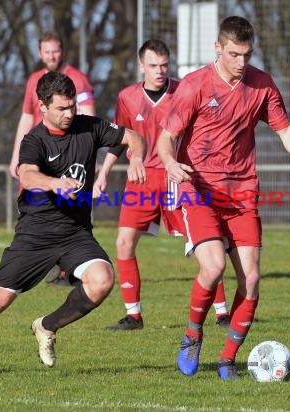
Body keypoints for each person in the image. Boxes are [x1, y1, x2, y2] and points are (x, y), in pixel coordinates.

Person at [0, 71, 146, 377]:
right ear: (43, 106)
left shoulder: (90, 126)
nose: (69, 114)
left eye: (72, 106)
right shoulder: (34, 140)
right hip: (36, 234)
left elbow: (134, 137)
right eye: (61, 108)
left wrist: (137, 157)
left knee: (102, 280)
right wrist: (54, 183)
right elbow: (27, 174)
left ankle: (47, 326)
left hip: (75, 232)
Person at [157, 16, 290, 380]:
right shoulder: (195, 85)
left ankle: (227, 360)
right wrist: (170, 162)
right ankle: (192, 335)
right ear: (218, 48)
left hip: (242, 192)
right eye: (234, 54)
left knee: (251, 280)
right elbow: (166, 138)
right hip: (197, 190)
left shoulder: (262, 85)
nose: (241, 62)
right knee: (214, 266)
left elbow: (285, 130)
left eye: (247, 54)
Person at [92, 39, 230, 331]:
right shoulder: (127, 97)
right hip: (140, 181)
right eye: (153, 65)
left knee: (201, 244)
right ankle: (133, 315)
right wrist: (103, 173)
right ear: (141, 66)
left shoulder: (184, 91)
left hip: (174, 179)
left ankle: (221, 312)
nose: (159, 71)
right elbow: (120, 139)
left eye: (164, 65)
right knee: (124, 243)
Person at [9, 32, 96, 181]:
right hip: (37, 152)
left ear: (62, 52)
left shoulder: (78, 79)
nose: (51, 56)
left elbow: (90, 119)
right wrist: (16, 156)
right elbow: (27, 119)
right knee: (31, 197)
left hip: (67, 154)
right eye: (47, 52)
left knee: (65, 199)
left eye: (55, 51)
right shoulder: (33, 80)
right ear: (40, 53)